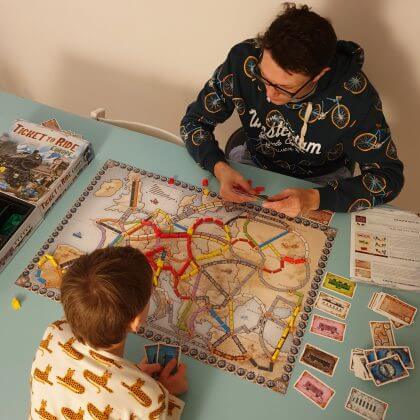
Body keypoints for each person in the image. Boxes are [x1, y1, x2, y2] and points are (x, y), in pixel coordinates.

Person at [180, 3, 404, 216]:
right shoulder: (243, 61)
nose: (269, 94)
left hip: (322, 183)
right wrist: (220, 168)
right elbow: (194, 122)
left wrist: (315, 198)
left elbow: (388, 177)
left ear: (318, 76)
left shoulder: (356, 98)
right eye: (264, 78)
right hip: (254, 166)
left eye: (284, 88)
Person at [29, 246, 187, 419]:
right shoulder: (153, 400)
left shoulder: (55, 331)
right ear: (134, 321)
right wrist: (167, 394)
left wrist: (133, 377)